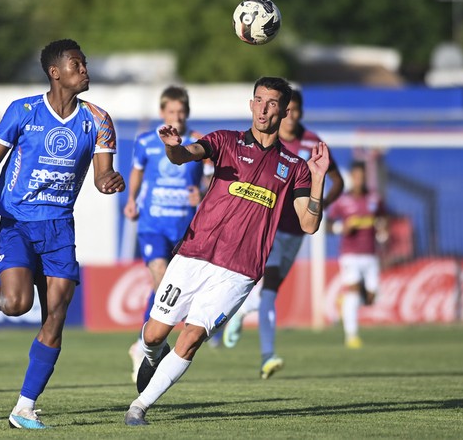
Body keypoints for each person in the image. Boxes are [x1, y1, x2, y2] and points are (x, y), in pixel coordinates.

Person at [124, 76, 332, 426]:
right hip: (193, 253)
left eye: (272, 103)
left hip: (239, 271)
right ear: (251, 104)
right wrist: (173, 147)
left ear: (284, 110)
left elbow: (309, 225)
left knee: (191, 338)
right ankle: (149, 352)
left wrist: (319, 179)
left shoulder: (294, 168)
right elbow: (183, 156)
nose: (264, 108)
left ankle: (138, 407)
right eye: (259, 100)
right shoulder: (225, 141)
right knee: (156, 333)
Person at [0, 38, 125, 429]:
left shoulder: (98, 120)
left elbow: (101, 177)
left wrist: (110, 181)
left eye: (84, 64)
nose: (85, 70)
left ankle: (24, 408)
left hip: (60, 226)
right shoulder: (23, 111)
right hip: (17, 220)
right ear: (55, 72)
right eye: (77, 64)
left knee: (56, 315)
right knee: (15, 304)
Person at [219, 88, 344, 379]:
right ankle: (267, 355)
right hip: (269, 228)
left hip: (296, 231)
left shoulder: (313, 143)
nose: (294, 116)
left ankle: (240, 312)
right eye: (291, 110)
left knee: (267, 291)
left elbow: (336, 180)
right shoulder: (269, 143)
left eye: (299, 111)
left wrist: (316, 203)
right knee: (271, 291)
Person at [123, 86, 205, 382]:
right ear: (162, 114)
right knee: (160, 277)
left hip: (185, 228)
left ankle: (141, 345)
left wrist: (203, 193)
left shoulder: (197, 143)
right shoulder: (146, 142)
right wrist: (131, 200)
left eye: (181, 112)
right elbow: (137, 171)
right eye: (172, 112)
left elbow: (209, 179)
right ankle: (150, 345)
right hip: (153, 224)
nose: (177, 117)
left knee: (171, 290)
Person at [327, 160, 387, 349]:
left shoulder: (374, 199)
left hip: (370, 254)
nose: (359, 180)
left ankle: (343, 302)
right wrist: (341, 228)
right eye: (356, 176)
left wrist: (383, 230)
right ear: (351, 178)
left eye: (362, 176)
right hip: (350, 254)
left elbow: (383, 219)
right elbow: (328, 225)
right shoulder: (342, 200)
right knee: (353, 294)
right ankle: (351, 336)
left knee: (371, 298)